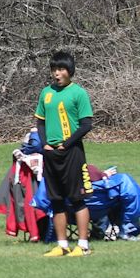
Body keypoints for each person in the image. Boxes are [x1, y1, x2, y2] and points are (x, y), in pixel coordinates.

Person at [34, 51, 95, 257]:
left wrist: (66, 144)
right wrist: (45, 144)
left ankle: (83, 245)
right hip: (51, 154)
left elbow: (86, 124)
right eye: (54, 70)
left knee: (77, 199)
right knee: (56, 200)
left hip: (72, 153)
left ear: (70, 71)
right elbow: (40, 122)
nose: (57, 74)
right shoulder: (46, 93)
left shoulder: (78, 93)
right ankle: (62, 245)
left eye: (61, 69)